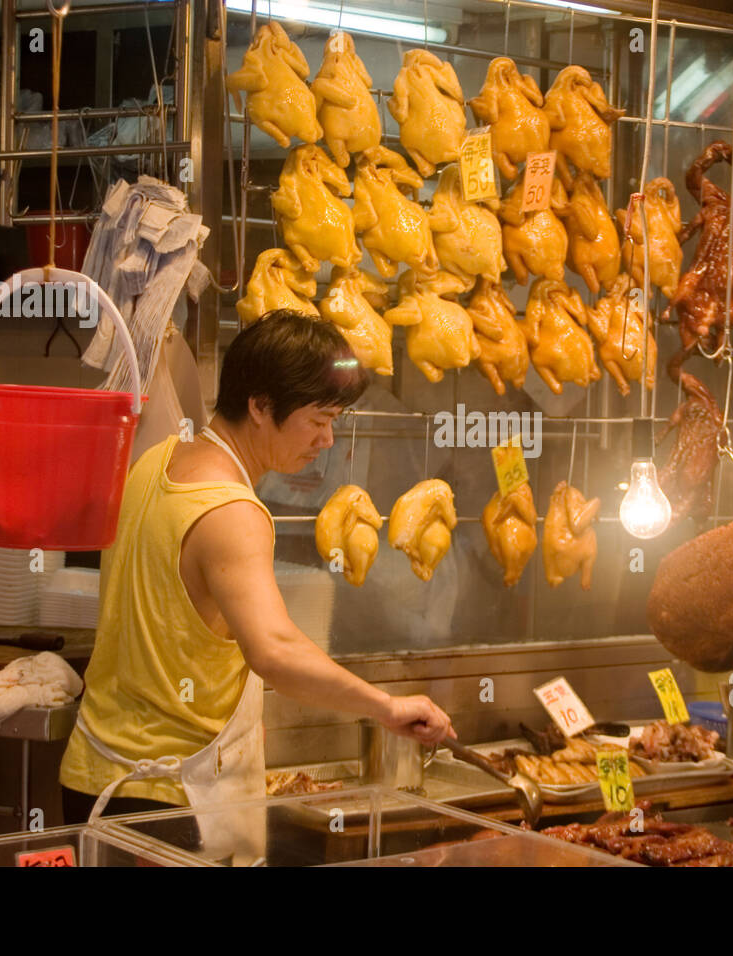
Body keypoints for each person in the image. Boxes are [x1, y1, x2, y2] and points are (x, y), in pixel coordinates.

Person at [59, 312, 455, 857]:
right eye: (317, 419)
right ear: (260, 406)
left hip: (92, 779)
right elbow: (274, 651)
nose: (327, 438)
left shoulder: (156, 461)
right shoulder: (232, 510)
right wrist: (385, 706)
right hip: (170, 802)